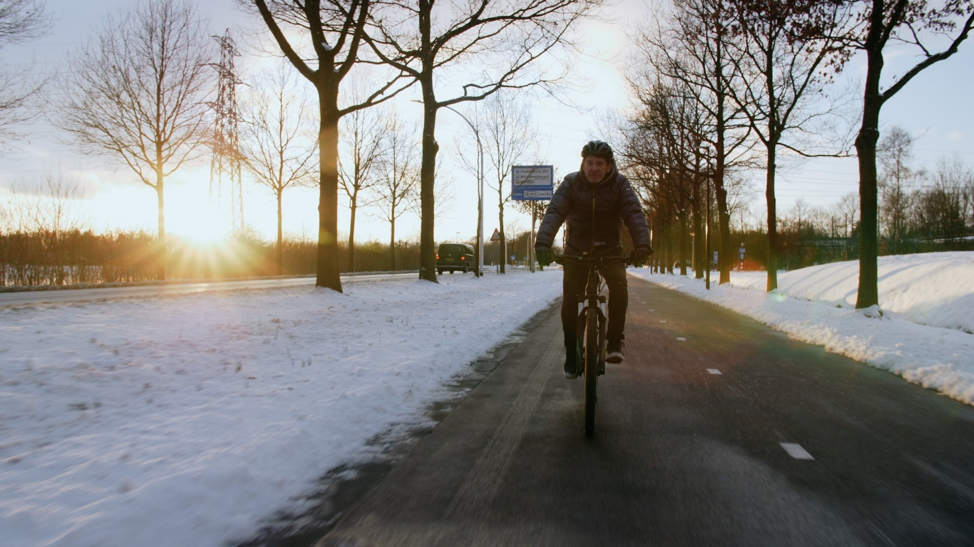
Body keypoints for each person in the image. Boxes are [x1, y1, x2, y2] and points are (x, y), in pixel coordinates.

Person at [534, 140, 652, 378]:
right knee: (569, 303)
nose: (594, 168)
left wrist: (642, 244)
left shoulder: (620, 184)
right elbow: (555, 212)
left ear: (609, 166)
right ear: (583, 164)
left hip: (610, 251)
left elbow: (633, 213)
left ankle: (614, 343)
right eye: (590, 163)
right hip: (576, 250)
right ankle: (572, 355)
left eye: (600, 164)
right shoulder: (570, 183)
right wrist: (543, 243)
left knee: (619, 288)